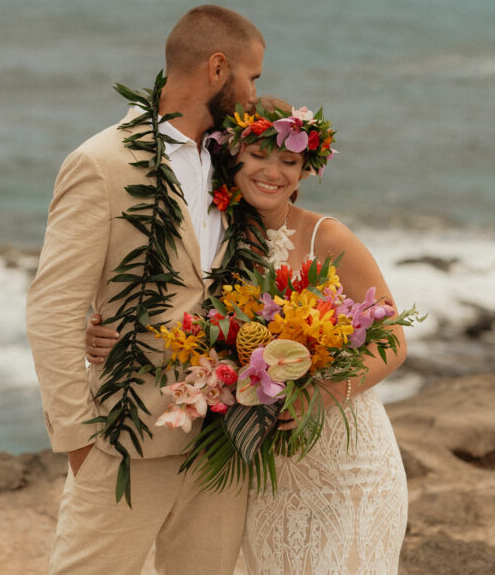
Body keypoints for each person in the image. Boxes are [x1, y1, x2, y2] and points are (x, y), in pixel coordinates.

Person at [86, 97, 409, 574]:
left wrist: (317, 396)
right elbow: (179, 322)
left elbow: (394, 340)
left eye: (289, 160)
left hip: (348, 465)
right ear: (231, 156)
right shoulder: (209, 240)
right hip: (263, 474)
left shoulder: (328, 237)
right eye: (258, 155)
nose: (272, 171)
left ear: (305, 172)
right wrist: (113, 336)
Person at [26, 4, 265, 575]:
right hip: (127, 436)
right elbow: (53, 307)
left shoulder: (238, 162)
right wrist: (80, 440)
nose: (255, 94)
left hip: (222, 438)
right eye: (251, 77)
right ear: (216, 69)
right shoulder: (102, 163)